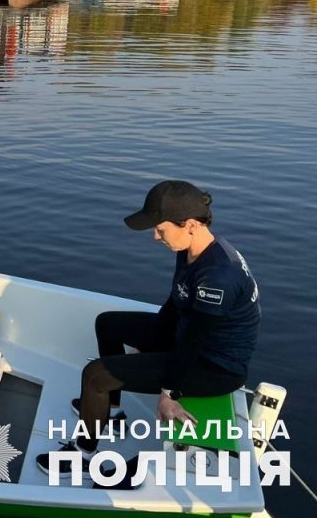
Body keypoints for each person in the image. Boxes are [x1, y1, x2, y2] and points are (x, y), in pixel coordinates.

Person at [36, 180, 261, 475]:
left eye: (160, 229)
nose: (155, 237)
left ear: (190, 224)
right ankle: (111, 413)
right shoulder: (194, 248)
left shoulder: (218, 276)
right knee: (108, 324)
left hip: (214, 366)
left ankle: (82, 454)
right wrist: (153, 338)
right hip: (190, 339)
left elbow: (194, 342)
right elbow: (176, 302)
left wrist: (169, 394)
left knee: (96, 376)